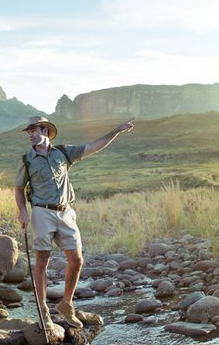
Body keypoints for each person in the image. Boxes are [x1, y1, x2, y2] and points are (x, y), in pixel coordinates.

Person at [13, 114, 133, 328]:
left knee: (76, 261)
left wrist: (117, 130)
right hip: (41, 212)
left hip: (66, 213)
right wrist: (22, 211)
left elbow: (93, 146)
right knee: (42, 262)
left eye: (33, 129)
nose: (30, 134)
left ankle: (66, 305)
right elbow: (19, 189)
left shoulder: (64, 153)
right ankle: (43, 312)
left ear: (45, 131)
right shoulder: (26, 160)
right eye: (28, 131)